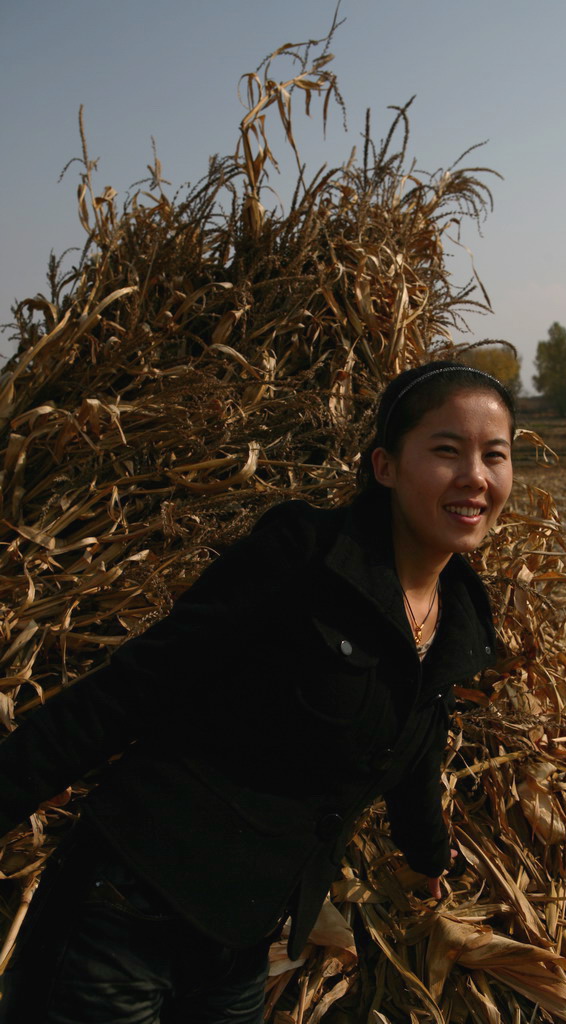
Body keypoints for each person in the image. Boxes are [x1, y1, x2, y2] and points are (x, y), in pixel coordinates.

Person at [0, 360, 515, 1023]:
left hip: (241, 939)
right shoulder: (306, 555)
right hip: (124, 914)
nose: (475, 475)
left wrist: (427, 854)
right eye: (447, 451)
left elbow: (416, 744)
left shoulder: (459, 618)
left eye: (494, 456)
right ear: (385, 466)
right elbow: (136, 685)